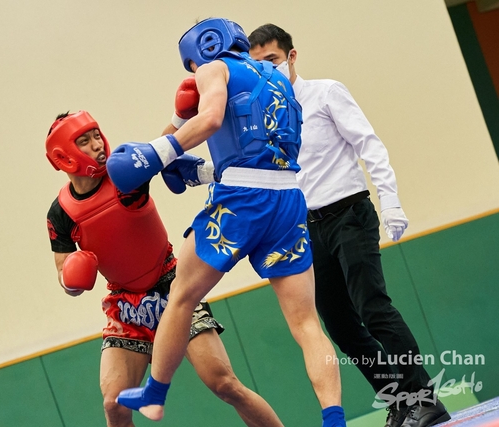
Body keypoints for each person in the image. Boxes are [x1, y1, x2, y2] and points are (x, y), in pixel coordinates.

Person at [107, 18, 347, 427]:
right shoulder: (277, 75)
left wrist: (160, 151)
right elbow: (257, 150)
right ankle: (334, 418)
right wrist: (196, 165)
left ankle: (155, 392)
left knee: (181, 294)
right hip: (288, 200)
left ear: (201, 48)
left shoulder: (212, 69)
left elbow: (214, 119)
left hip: (241, 203)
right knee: (306, 323)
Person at [247, 23, 451, 427]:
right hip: (308, 228)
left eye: (271, 61)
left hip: (349, 215)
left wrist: (390, 202)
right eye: (256, 66)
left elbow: (369, 144)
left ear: (291, 57)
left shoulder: (326, 92)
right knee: (339, 326)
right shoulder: (267, 118)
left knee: (373, 308)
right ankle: (400, 400)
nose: (266, 72)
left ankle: (426, 400)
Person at [45, 110, 285, 427]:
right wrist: (72, 279)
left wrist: (181, 115)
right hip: (126, 306)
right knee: (114, 404)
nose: (97, 146)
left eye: (96, 136)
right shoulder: (61, 213)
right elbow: (63, 273)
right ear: (63, 155)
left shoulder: (122, 177)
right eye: (85, 141)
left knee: (224, 384)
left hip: (173, 287)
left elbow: (161, 149)